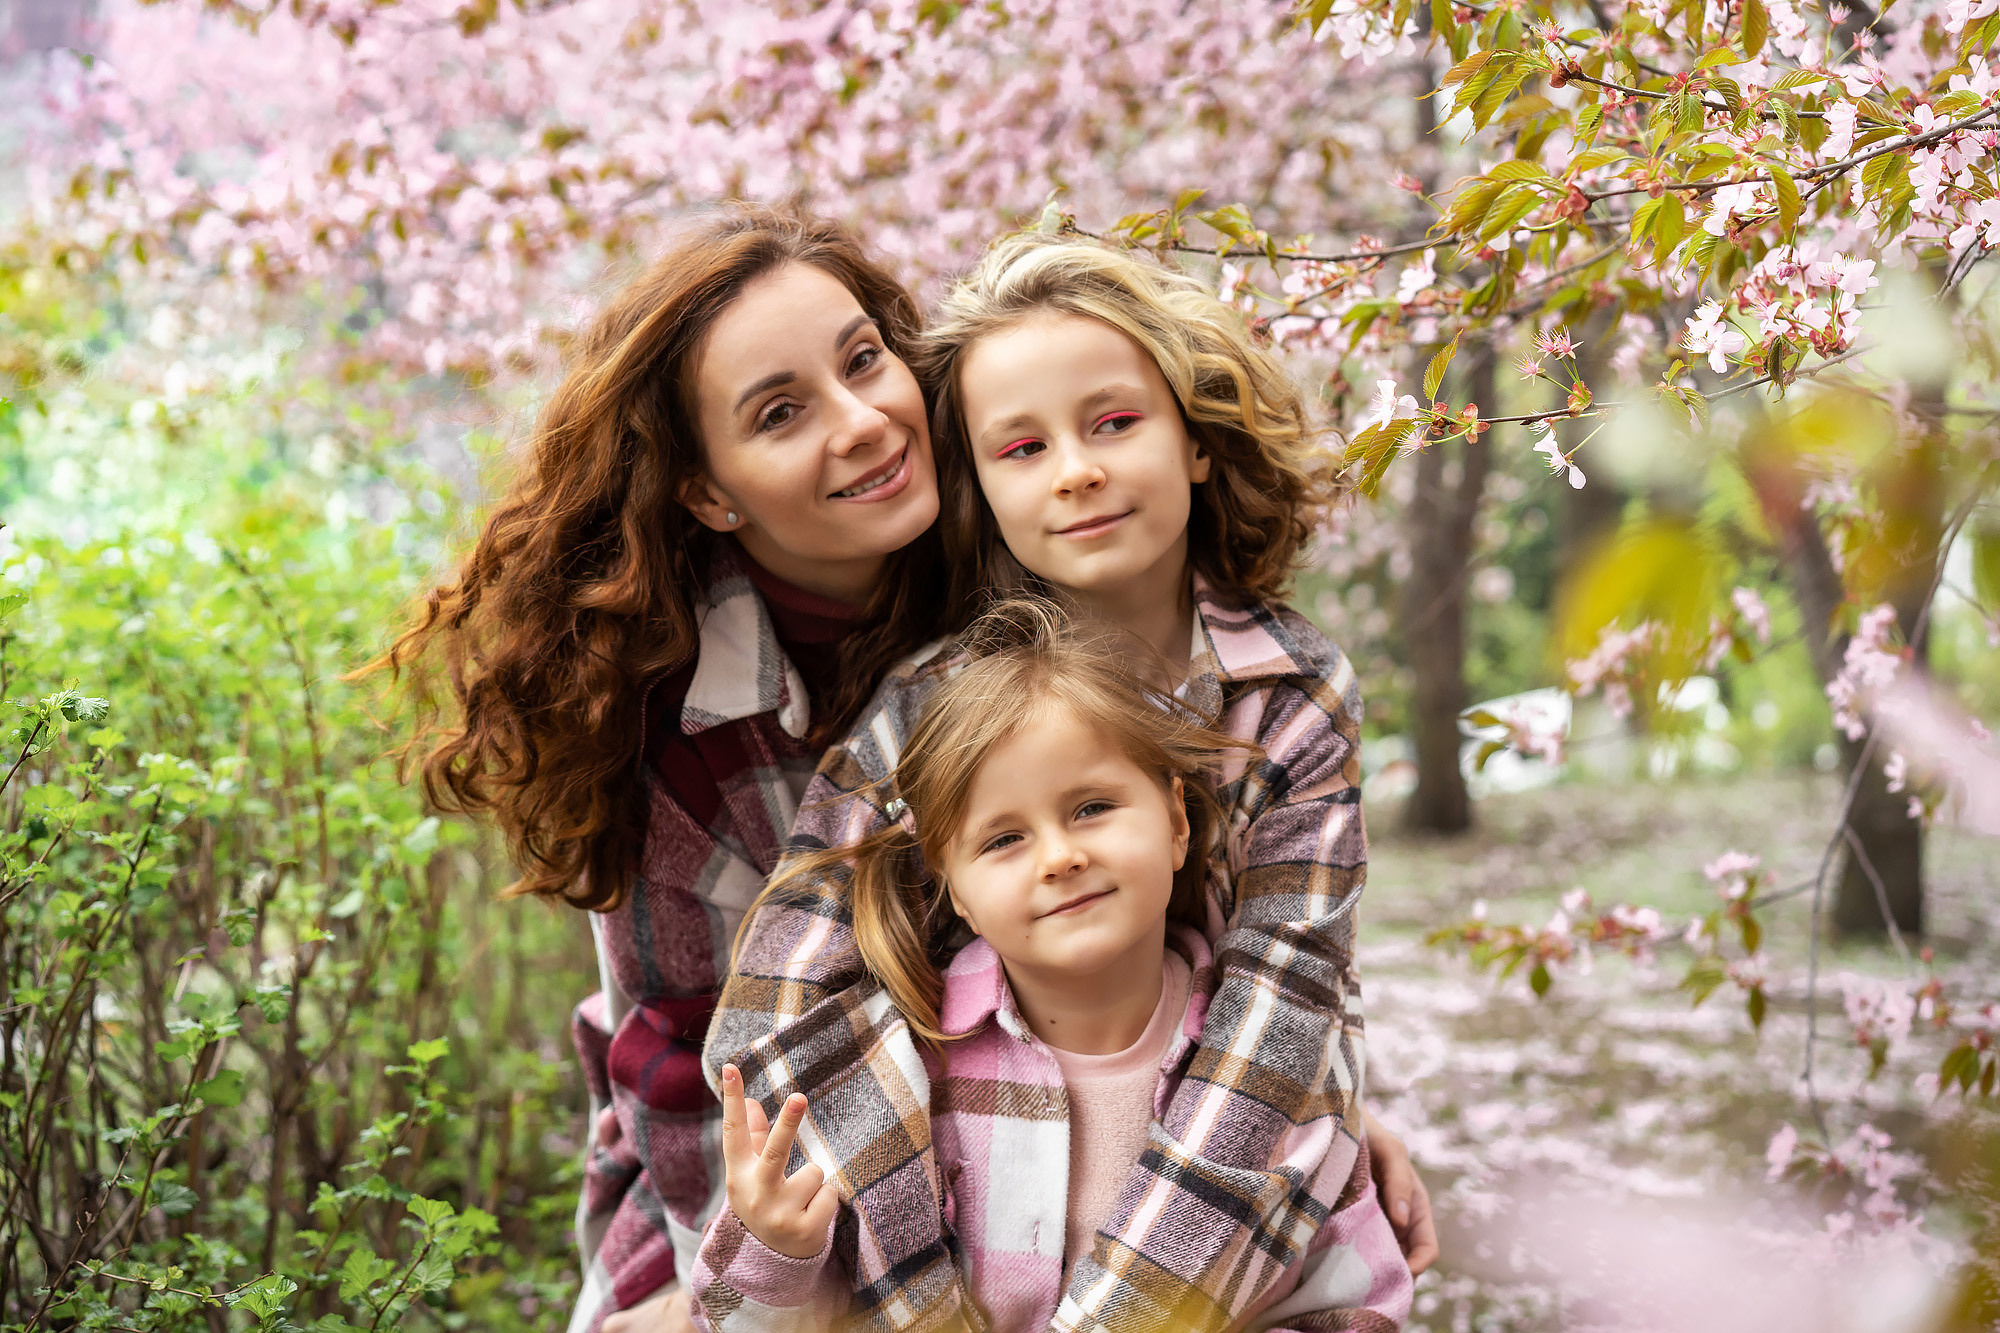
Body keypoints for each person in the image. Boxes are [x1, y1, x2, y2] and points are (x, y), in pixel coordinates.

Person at [384, 207, 1432, 1333]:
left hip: (1134, 1155)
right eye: (779, 412)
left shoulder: (1050, 601)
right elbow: (711, 1059)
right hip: (815, 1191)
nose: (862, 424)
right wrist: (758, 1289)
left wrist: (1313, 1102)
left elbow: (1277, 980)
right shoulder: (755, 719)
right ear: (710, 487)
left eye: (863, 361)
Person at [710, 231, 1430, 1333]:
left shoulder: (1289, 692)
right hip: (988, 1174)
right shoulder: (934, 704)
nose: (1076, 470)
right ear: (979, 490)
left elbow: (1285, 1010)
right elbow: (779, 1000)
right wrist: (915, 1292)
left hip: (1223, 1195)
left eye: (1112, 423)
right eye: (1021, 448)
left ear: (1192, 436)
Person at [692, 601, 1412, 1332]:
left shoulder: (1270, 1080)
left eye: (1093, 806)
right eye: (1003, 839)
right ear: (956, 891)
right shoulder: (901, 1077)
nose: (1060, 857)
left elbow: (1354, 1302)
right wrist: (778, 1251)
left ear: (1175, 821)